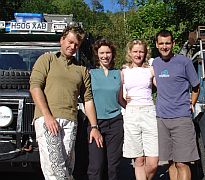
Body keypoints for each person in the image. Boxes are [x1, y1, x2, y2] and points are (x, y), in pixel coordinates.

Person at [29, 25, 103, 180]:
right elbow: (35, 87)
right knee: (55, 167)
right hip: (48, 119)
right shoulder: (47, 59)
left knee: (68, 167)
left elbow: (87, 99)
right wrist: (48, 116)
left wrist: (94, 127)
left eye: (76, 44)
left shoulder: (81, 69)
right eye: (69, 42)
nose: (72, 46)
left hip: (70, 121)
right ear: (61, 40)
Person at [152, 29, 200, 180]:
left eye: (167, 43)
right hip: (162, 119)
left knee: (182, 163)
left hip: (181, 119)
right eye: (161, 43)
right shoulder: (155, 63)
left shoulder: (184, 62)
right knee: (170, 163)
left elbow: (196, 87)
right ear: (156, 44)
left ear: (173, 44)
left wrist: (191, 103)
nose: (164, 46)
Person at [87, 38, 126, 180]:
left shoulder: (119, 74)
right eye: (102, 53)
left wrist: (134, 107)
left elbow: (121, 99)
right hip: (96, 123)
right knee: (96, 166)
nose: (105, 56)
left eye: (108, 52)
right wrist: (93, 126)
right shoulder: (90, 74)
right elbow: (87, 99)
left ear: (112, 54)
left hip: (115, 123)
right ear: (97, 54)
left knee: (113, 166)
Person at [122, 39, 159, 180]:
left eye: (141, 51)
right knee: (139, 160)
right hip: (131, 113)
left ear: (145, 53)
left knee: (153, 163)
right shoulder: (124, 71)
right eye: (135, 51)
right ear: (130, 53)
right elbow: (119, 92)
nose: (138, 54)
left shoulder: (150, 70)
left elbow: (163, 87)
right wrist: (125, 98)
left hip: (149, 112)